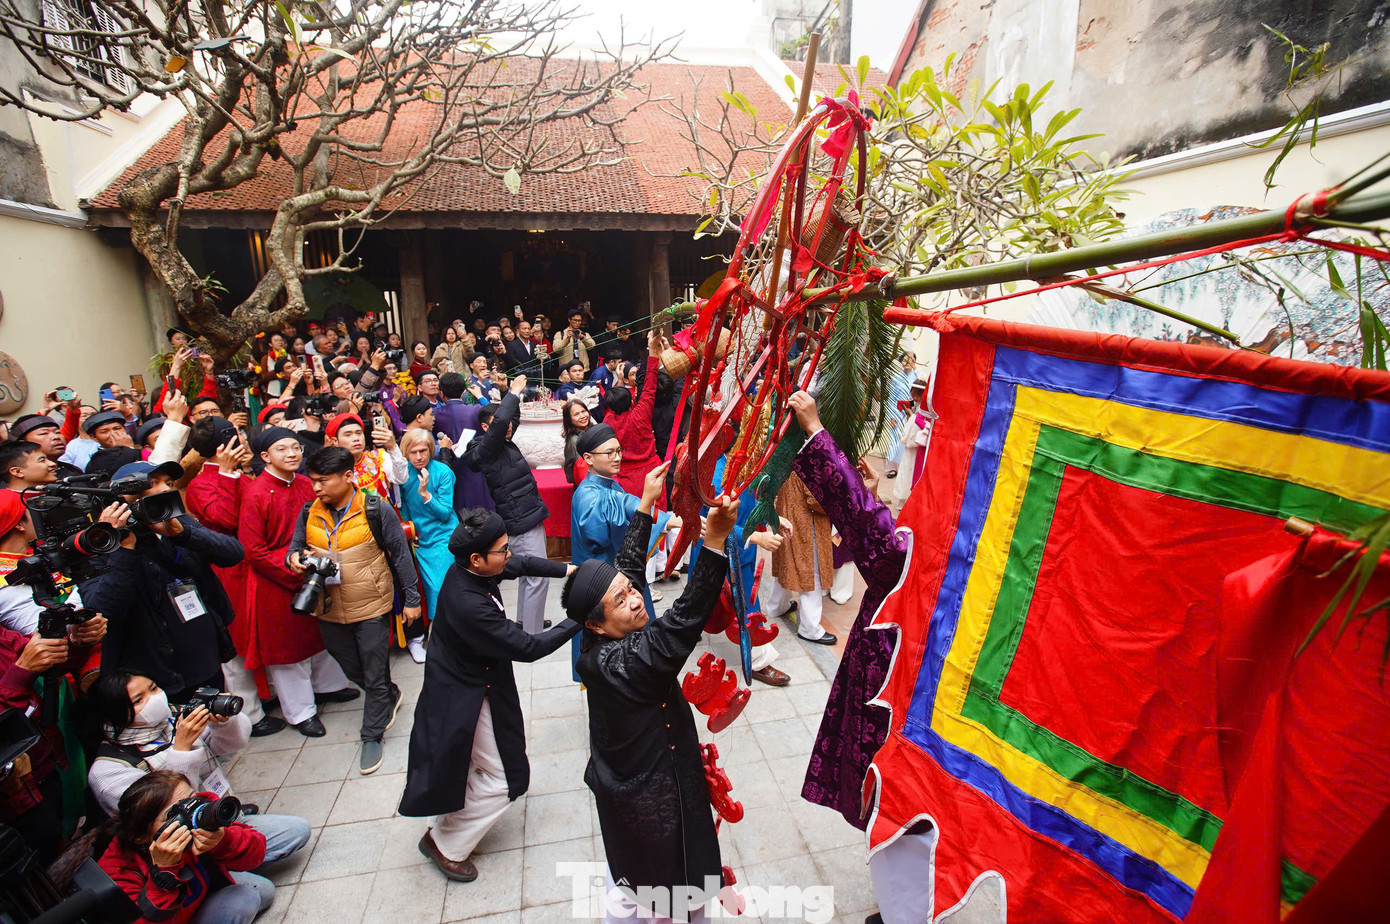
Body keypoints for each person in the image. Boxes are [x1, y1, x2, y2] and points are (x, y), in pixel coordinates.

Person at [568, 494, 737, 923]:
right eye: (622, 601)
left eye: (632, 592)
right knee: (660, 889)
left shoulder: (604, 626)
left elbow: (625, 566)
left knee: (642, 884)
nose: (636, 600)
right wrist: (713, 542)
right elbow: (680, 625)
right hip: (647, 798)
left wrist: (644, 504)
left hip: (650, 774)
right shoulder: (616, 663)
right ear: (594, 623)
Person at [399, 509, 578, 882]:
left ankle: (450, 826)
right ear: (478, 559)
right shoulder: (469, 602)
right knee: (504, 779)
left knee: (480, 765)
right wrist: (581, 616)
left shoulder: (474, 569)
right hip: (463, 693)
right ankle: (446, 844)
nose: (508, 555)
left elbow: (521, 564)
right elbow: (528, 647)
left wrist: (567, 571)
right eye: (502, 551)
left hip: (475, 682)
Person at [86, 671, 311, 863]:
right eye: (138, 700)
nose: (154, 698)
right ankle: (227, 873)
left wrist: (225, 721)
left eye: (153, 688)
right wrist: (182, 748)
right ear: (113, 716)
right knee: (253, 893)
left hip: (219, 821)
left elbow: (233, 744)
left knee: (297, 830)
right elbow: (167, 816)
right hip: (181, 853)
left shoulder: (170, 719)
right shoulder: (109, 772)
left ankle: (235, 860)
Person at [289, 447, 420, 774]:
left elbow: (401, 556)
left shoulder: (376, 509)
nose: (316, 488)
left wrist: (413, 600)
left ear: (348, 477)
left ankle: (372, 735)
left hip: (371, 604)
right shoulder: (309, 512)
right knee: (350, 665)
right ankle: (390, 693)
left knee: (374, 670)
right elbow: (295, 547)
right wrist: (294, 559)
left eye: (323, 481)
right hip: (328, 607)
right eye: (313, 481)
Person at [82, 461, 241, 702]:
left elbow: (233, 553)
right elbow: (104, 609)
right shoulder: (101, 542)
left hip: (205, 657)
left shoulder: (177, 521)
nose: (164, 490)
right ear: (123, 497)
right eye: (152, 483)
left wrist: (183, 534)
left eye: (168, 483)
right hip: (155, 677)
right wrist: (122, 549)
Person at [238, 428, 355, 739]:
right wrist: (292, 568)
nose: (291, 454)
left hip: (314, 571)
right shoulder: (256, 492)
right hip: (275, 581)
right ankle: (301, 712)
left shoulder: (306, 484)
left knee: (320, 636)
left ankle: (329, 686)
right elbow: (252, 550)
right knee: (286, 652)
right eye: (281, 449)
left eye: (295, 447)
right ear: (265, 457)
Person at [0, 550, 106, 861]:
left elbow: (49, 664)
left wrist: (77, 640)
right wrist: (22, 671)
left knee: (77, 845)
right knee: (43, 868)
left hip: (48, 764)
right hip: (16, 794)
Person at [184, 420, 282, 737]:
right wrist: (226, 476)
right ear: (223, 447)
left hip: (254, 566)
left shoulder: (242, 474)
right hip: (228, 574)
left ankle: (273, 697)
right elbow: (225, 519)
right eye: (236, 438)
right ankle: (250, 713)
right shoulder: (200, 485)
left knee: (265, 634)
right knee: (236, 647)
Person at [98, 770, 277, 924]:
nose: (192, 813)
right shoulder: (118, 872)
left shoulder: (197, 814)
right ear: (140, 837)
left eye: (191, 800)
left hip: (202, 894)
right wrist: (164, 873)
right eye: (174, 813)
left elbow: (257, 853)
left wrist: (222, 841)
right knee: (245, 898)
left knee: (263, 890)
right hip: (173, 915)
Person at [570, 432, 679, 677]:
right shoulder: (588, 495)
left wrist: (667, 519)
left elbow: (625, 502)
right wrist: (657, 516)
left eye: (619, 451)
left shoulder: (607, 483)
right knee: (611, 652)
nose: (617, 458)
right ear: (588, 457)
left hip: (620, 579)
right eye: (610, 453)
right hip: (605, 587)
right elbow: (608, 524)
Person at [462, 377, 551, 634]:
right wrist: (511, 392)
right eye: (501, 425)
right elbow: (501, 423)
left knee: (528, 573)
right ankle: (532, 635)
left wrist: (504, 394)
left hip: (526, 513)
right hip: (519, 517)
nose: (509, 427)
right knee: (538, 576)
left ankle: (526, 621)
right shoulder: (485, 448)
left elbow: (507, 419)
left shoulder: (501, 440)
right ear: (484, 427)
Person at [396, 428, 458, 658]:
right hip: (416, 538)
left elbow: (445, 512)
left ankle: (443, 639)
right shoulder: (403, 475)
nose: (419, 456)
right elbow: (402, 507)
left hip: (443, 537)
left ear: (431, 450)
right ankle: (420, 638)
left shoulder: (442, 471)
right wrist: (406, 531)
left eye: (423, 451)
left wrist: (426, 495)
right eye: (413, 452)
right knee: (419, 590)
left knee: (439, 589)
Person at [760, 468, 838, 647]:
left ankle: (776, 606)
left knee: (785, 565)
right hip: (806, 522)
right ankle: (810, 629)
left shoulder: (785, 449)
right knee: (811, 571)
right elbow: (815, 499)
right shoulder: (809, 455)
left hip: (784, 515)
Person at [607, 329, 665, 496]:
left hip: (624, 477)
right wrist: (653, 352)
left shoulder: (608, 421)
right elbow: (650, 385)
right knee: (657, 519)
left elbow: (615, 401)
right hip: (652, 474)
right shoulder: (640, 414)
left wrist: (619, 379)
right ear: (631, 400)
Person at [10, 413, 81, 479]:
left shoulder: (74, 472)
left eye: (58, 432)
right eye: (43, 433)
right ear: (23, 443)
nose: (56, 437)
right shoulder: (14, 480)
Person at [560, 399, 593, 485]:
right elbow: (579, 471)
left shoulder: (590, 432)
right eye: (576, 414)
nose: (582, 416)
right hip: (587, 486)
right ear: (569, 419)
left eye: (583, 411)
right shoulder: (574, 441)